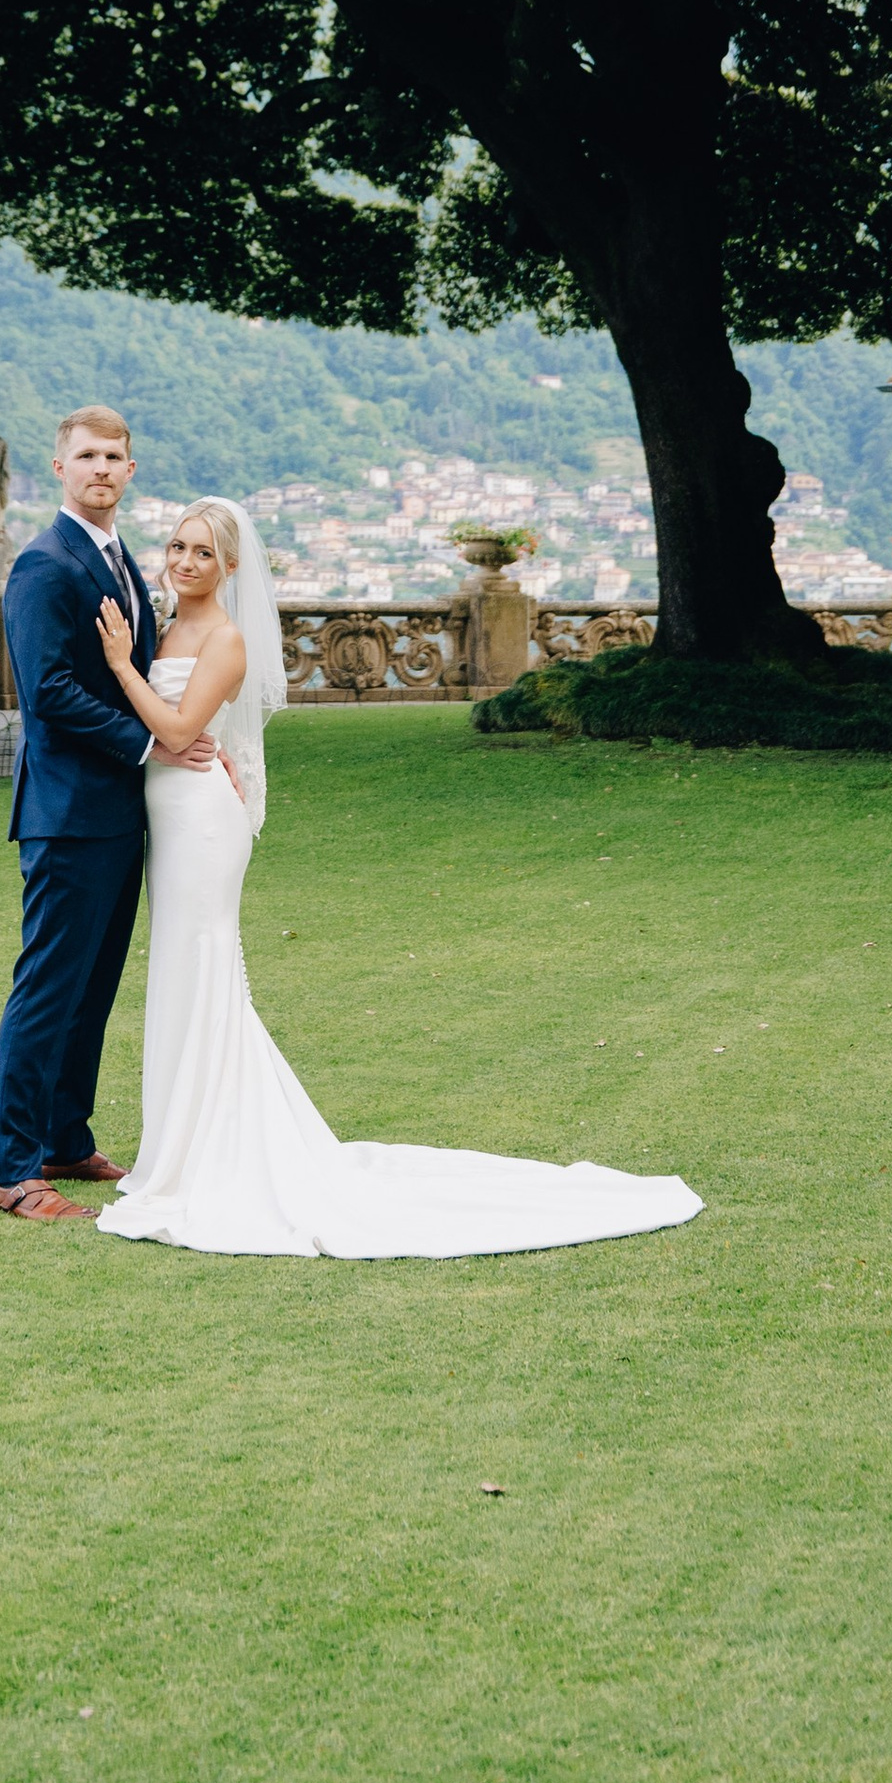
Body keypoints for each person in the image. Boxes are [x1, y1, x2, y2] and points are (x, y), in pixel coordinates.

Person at [89, 497, 704, 1260]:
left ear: (232, 566)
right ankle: (179, 1148)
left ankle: (212, 1151)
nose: (184, 562)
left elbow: (179, 731)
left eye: (203, 553)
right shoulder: (166, 624)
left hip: (203, 822)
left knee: (203, 963)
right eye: (178, 547)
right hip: (170, 814)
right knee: (180, 969)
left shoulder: (225, 638)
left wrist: (120, 665)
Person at [0, 407, 222, 1221]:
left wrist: (185, 735)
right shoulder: (45, 566)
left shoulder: (118, 561)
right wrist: (151, 746)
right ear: (60, 468)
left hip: (121, 814)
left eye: (114, 457)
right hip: (67, 812)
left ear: (130, 469)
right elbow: (46, 692)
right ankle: (13, 1170)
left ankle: (65, 1139)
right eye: (86, 455)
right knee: (48, 987)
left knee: (93, 989)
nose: (101, 468)